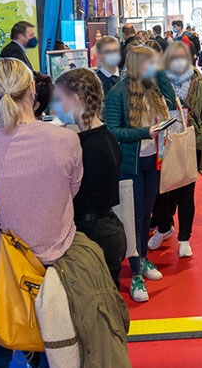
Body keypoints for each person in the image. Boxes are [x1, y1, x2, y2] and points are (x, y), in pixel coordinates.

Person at [0, 58, 82, 367]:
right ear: (33, 89)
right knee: (56, 354)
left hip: (3, 269)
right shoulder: (68, 140)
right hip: (57, 268)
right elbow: (71, 192)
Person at [105, 46, 177, 302]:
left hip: (152, 163)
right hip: (130, 166)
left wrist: (161, 75)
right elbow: (112, 130)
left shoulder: (152, 88)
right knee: (132, 219)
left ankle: (143, 259)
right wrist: (144, 133)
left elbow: (172, 100)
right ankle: (135, 271)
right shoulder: (117, 94)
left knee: (146, 217)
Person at [53, 68, 127, 289]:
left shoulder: (86, 146)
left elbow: (73, 196)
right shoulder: (103, 137)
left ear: (76, 99)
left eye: (59, 99)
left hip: (94, 236)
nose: (56, 107)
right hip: (106, 231)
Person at [148, 42, 202, 257]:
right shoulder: (157, 83)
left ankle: (184, 238)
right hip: (163, 143)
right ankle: (164, 228)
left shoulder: (199, 83)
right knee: (161, 193)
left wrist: (198, 140)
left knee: (186, 194)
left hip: (189, 144)